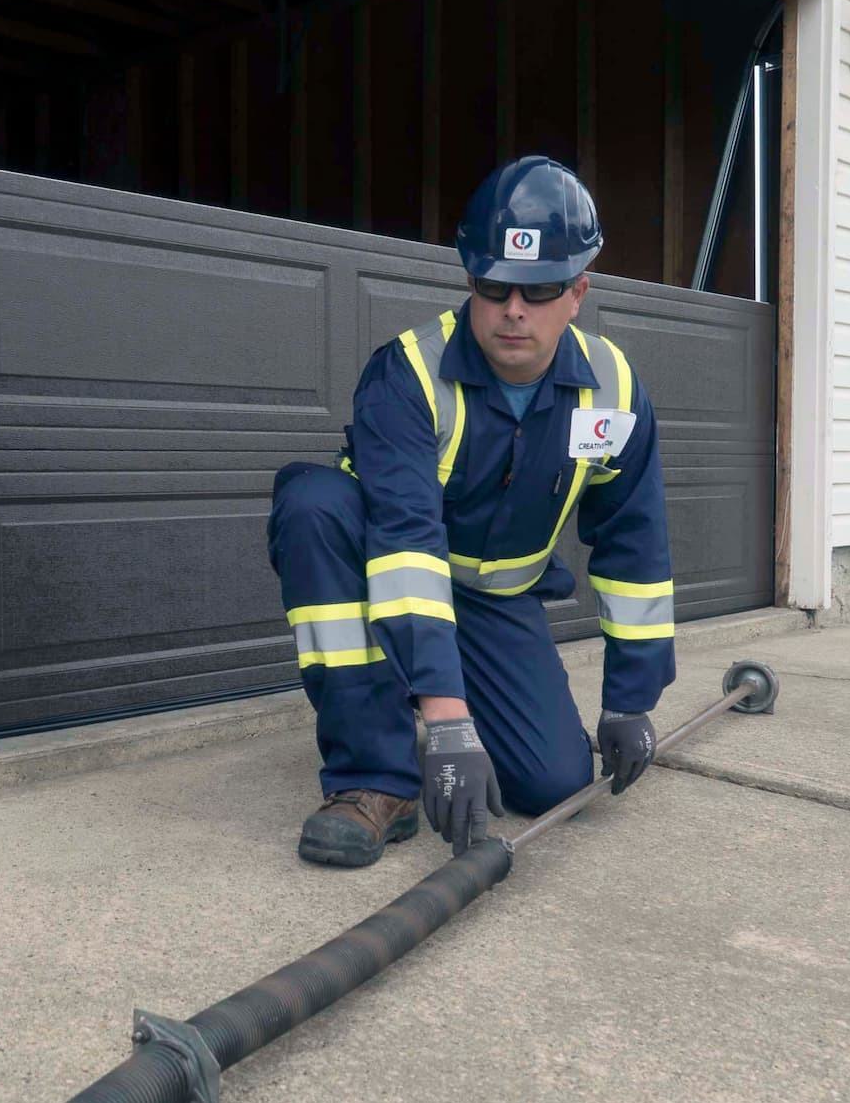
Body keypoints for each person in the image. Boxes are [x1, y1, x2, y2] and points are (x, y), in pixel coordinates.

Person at [267, 156, 675, 866]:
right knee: (314, 504)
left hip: (493, 601)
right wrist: (449, 722)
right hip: (388, 570)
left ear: (578, 291)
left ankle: (433, 701)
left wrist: (629, 698)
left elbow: (634, 544)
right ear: (470, 281)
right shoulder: (408, 374)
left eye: (540, 289)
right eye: (495, 286)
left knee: (554, 781)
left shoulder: (613, 390)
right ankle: (374, 779)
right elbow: (405, 546)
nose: (514, 309)